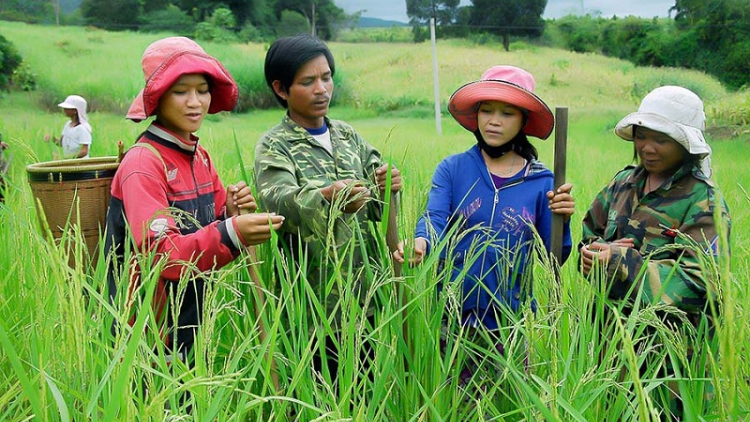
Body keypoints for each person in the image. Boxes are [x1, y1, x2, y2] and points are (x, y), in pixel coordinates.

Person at [104, 36, 285, 364]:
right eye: (180, 91)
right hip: (146, 333)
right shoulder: (143, 163)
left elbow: (211, 223)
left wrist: (229, 212)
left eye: (202, 90)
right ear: (158, 97)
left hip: (190, 320)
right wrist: (233, 232)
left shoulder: (199, 156)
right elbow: (163, 256)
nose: (195, 102)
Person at [394, 65, 574, 383]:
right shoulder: (453, 169)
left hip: (512, 322)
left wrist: (563, 218)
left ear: (523, 121)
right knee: (455, 405)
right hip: (453, 317)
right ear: (476, 114)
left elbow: (554, 257)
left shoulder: (541, 181)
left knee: (509, 405)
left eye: (507, 113)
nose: (494, 120)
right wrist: (420, 242)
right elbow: (435, 218)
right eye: (487, 110)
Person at [254, 33, 402, 377]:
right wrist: (327, 198)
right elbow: (278, 203)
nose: (321, 89)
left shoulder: (349, 137)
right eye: (308, 82)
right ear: (281, 89)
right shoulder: (275, 145)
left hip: (368, 300)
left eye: (326, 77)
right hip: (312, 307)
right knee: (321, 396)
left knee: (369, 392)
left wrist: (389, 186)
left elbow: (381, 211)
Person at [579, 86, 731, 419]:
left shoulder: (703, 202)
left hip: (670, 357)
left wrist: (622, 263)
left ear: (685, 145)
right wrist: (591, 254)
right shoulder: (623, 183)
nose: (647, 148)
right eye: (641, 136)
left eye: (660, 140)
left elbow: (699, 279)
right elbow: (591, 230)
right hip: (610, 342)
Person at [44, 94, 92, 158]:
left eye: (67, 108)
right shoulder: (67, 125)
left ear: (75, 111)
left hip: (81, 165)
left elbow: (84, 151)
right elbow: (61, 143)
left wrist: (68, 158)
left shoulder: (82, 128)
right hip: (69, 163)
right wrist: (52, 139)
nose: (64, 109)